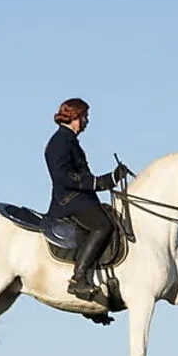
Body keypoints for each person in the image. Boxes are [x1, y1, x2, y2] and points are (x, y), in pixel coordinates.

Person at [44, 98, 128, 301]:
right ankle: (78, 280)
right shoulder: (60, 141)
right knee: (103, 226)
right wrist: (103, 182)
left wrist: (111, 179)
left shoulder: (69, 140)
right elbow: (63, 176)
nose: (87, 121)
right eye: (85, 117)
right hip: (69, 200)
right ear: (75, 117)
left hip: (80, 198)